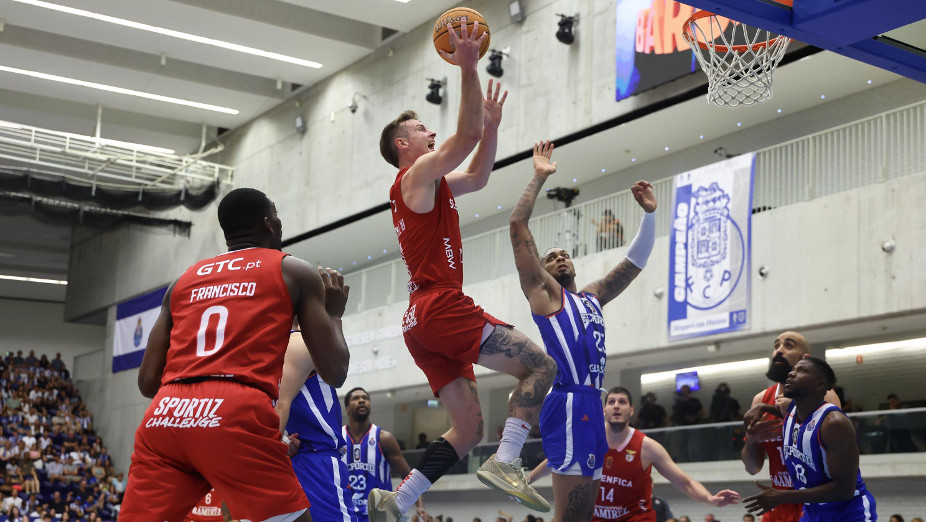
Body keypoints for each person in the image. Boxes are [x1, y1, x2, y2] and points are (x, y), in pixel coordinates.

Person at [372, 18, 557, 520]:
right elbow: (464, 133)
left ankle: (398, 499)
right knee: (542, 367)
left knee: (468, 428)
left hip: (420, 322)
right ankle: (509, 461)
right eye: (419, 130)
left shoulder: (432, 187)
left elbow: (476, 173)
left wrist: (493, 129)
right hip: (439, 306)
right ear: (403, 148)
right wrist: (469, 67)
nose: (429, 132)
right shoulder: (414, 176)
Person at [119, 187, 351, 522]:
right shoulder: (294, 271)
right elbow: (335, 372)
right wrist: (334, 315)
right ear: (269, 223)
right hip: (233, 411)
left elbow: (147, 381)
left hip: (164, 416)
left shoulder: (182, 281)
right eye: (277, 217)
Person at [513, 141, 657, 522]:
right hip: (570, 402)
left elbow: (633, 264)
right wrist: (538, 176)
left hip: (593, 401)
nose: (559, 258)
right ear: (542, 272)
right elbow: (517, 226)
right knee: (570, 517)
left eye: (564, 255)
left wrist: (650, 216)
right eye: (550, 257)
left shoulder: (592, 296)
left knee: (585, 517)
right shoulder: (545, 294)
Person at [743, 356, 877, 521]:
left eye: (801, 370)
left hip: (847, 512)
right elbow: (788, 413)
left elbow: (844, 489)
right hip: (812, 510)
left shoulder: (834, 423)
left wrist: (783, 496)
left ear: (819, 385)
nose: (791, 374)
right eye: (792, 370)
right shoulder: (792, 411)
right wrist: (761, 406)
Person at [585, 387, 739, 521]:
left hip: (635, 518)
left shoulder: (648, 447)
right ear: (604, 409)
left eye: (622, 402)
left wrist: (710, 499)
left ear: (631, 410)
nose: (616, 406)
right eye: (611, 402)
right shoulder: (586, 441)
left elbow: (684, 482)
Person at [740, 332, 841, 522]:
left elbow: (834, 458)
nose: (779, 350)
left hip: (815, 502)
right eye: (776, 346)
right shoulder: (760, 399)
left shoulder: (825, 395)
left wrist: (791, 420)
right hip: (778, 502)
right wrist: (751, 440)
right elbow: (753, 468)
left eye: (788, 346)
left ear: (805, 359)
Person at [275, 329, 357, 522]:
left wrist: (280, 440)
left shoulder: (264, 350)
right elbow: (280, 405)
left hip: (290, 459)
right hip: (316, 460)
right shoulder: (300, 340)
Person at [342, 387, 425, 521]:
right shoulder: (338, 439)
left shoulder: (384, 438)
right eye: (356, 398)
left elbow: (407, 475)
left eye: (365, 398)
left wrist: (420, 505)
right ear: (347, 408)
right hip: (346, 513)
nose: (362, 401)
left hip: (379, 515)